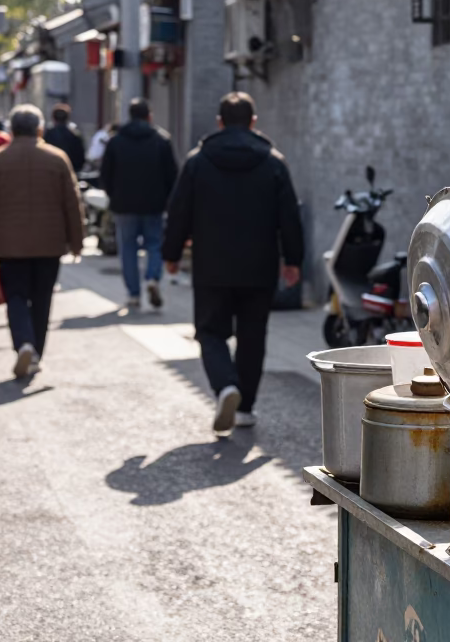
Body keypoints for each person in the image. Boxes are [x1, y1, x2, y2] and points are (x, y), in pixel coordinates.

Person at [164, 92, 304, 433]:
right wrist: (293, 260)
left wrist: (170, 254)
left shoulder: (198, 161)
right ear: (253, 122)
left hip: (211, 264)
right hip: (259, 265)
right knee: (252, 335)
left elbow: (179, 211)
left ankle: (226, 386)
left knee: (210, 331)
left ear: (219, 122)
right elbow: (289, 216)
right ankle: (246, 407)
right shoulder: (273, 162)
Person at [0, 105, 85, 378]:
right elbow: (72, 204)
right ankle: (35, 352)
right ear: (39, 129)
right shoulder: (57, 159)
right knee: (43, 298)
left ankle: (24, 343)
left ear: (12, 130)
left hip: (10, 244)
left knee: (17, 296)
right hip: (50, 244)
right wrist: (77, 242)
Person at [100, 99, 178, 310]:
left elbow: (105, 174)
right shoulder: (161, 141)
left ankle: (133, 294)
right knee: (154, 244)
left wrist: (113, 195)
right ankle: (152, 277)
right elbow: (172, 175)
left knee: (128, 247)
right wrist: (167, 200)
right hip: (154, 203)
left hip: (123, 204)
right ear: (149, 116)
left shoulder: (116, 142)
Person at [43, 103, 85, 172]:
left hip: (50, 171)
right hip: (70, 171)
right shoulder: (75, 135)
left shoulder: (48, 134)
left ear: (53, 117)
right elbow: (80, 159)